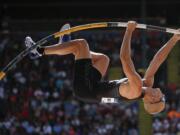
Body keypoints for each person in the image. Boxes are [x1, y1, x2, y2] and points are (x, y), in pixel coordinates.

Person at [25, 21, 180, 114]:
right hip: (94, 87)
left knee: (81, 44)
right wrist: (174, 39)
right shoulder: (147, 84)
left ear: (153, 99)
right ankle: (65, 46)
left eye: (162, 98)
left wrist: (129, 31)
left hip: (85, 89)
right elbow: (158, 59)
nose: (162, 95)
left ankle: (38, 51)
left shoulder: (136, 88)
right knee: (102, 59)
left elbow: (125, 58)